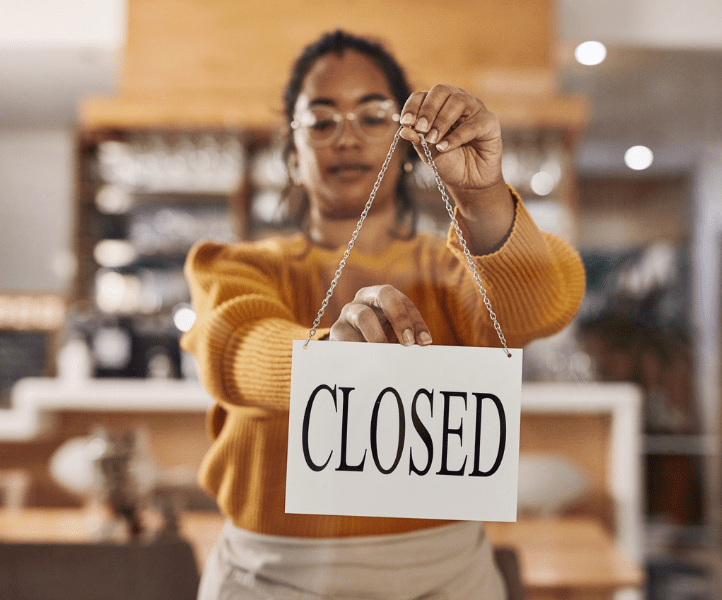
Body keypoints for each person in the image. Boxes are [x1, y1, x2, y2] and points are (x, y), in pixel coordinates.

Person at [181, 29, 586, 600]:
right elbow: (236, 345)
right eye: (321, 122)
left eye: (372, 116)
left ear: (404, 146)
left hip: (445, 576)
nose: (346, 138)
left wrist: (484, 197)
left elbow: (540, 302)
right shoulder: (238, 267)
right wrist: (326, 359)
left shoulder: (450, 270)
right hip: (271, 578)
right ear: (292, 155)